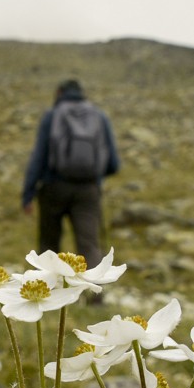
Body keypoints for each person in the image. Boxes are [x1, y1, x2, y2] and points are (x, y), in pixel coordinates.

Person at [22, 79, 120, 267]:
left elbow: (38, 157)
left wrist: (28, 194)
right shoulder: (99, 116)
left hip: (53, 188)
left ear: (59, 92)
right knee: (90, 246)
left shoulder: (52, 116)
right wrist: (94, 178)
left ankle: (49, 293)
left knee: (48, 247)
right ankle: (95, 295)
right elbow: (113, 163)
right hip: (88, 191)